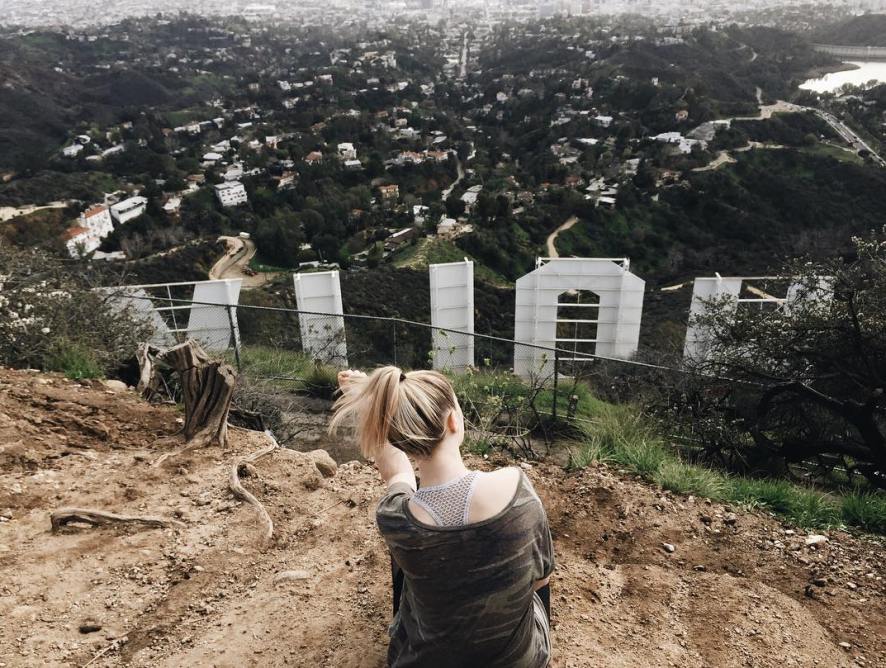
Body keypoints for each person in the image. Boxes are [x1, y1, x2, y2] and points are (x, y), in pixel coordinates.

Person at [329, 366, 554, 668]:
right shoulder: (517, 489)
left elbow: (397, 473)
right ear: (453, 420)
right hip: (518, 661)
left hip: (427, 662)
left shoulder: (396, 517)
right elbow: (541, 580)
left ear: (397, 439)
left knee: (409, 562)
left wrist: (373, 403)